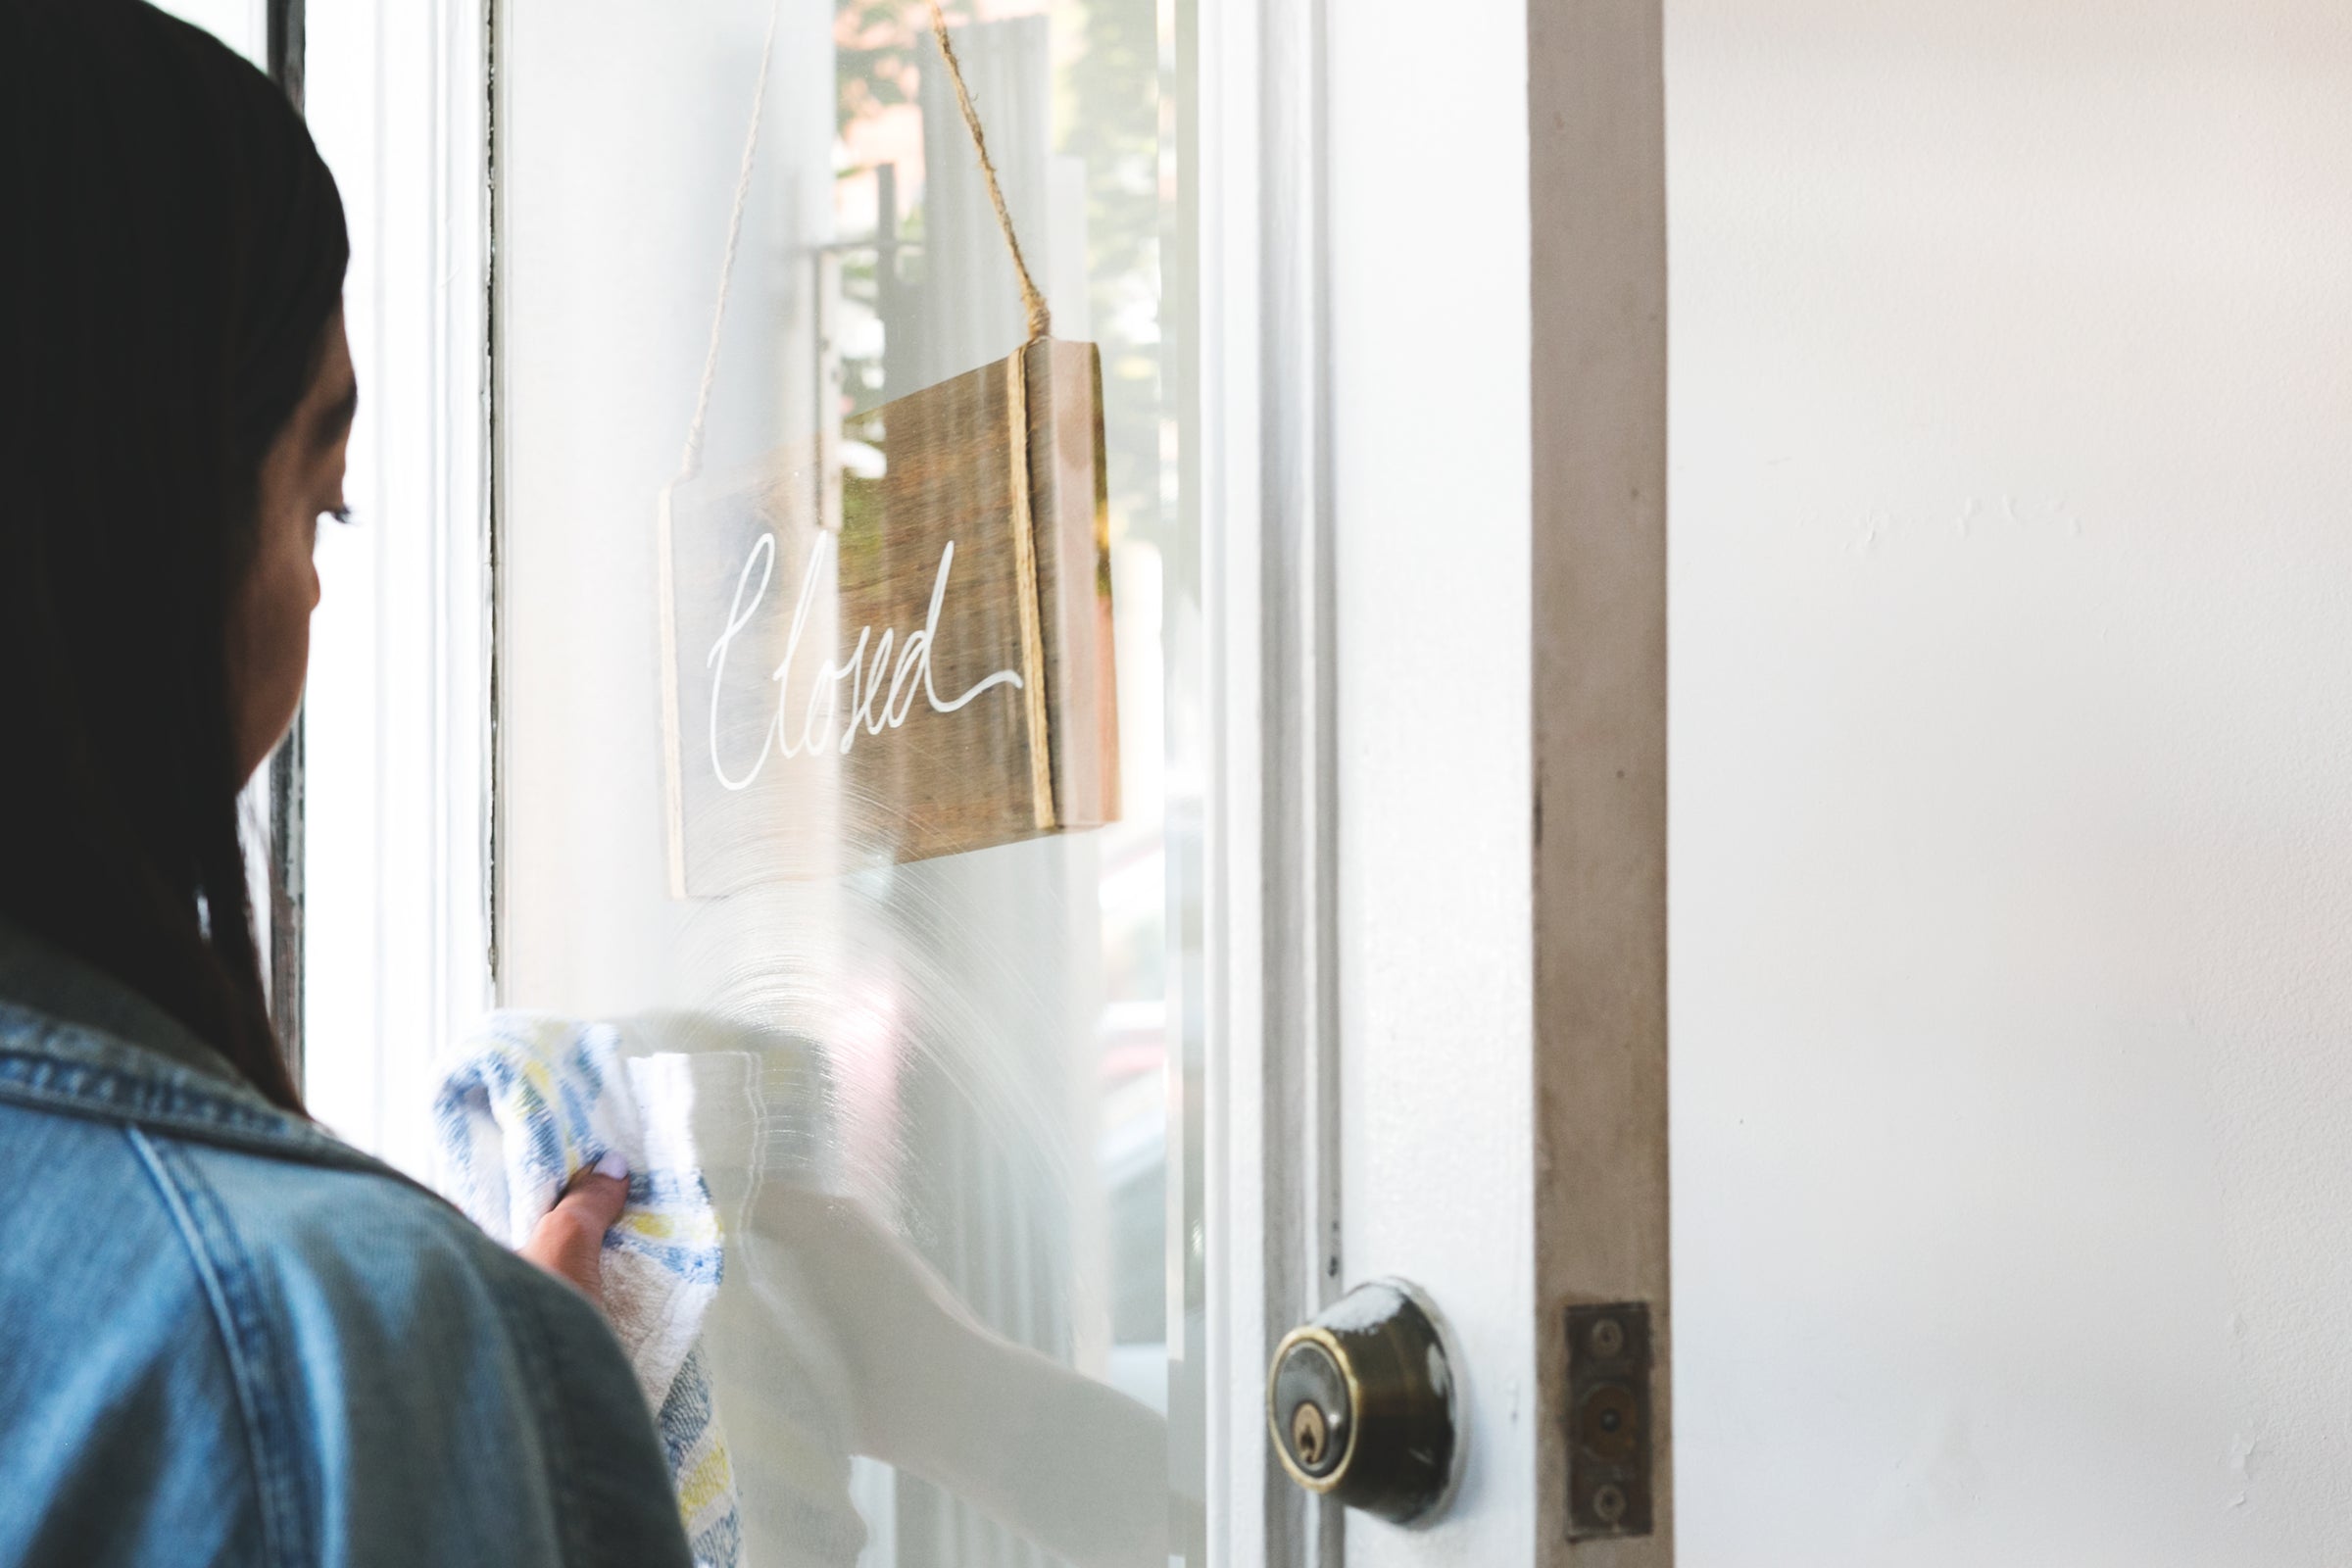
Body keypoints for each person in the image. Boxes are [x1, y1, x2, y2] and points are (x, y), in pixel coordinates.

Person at [0, 3, 693, 1563]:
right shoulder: (336, 1367)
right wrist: (481, 1411)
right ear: (132, 523)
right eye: (324, 499)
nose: (314, 589)